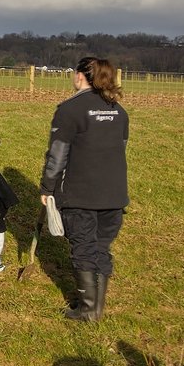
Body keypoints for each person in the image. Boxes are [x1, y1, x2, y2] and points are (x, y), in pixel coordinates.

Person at [40, 56, 129, 322]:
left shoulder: (69, 110)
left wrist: (47, 188)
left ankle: (88, 309)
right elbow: (121, 148)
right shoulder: (119, 111)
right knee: (101, 247)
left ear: (80, 76)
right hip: (114, 195)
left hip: (81, 195)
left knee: (83, 248)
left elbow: (57, 155)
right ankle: (96, 307)